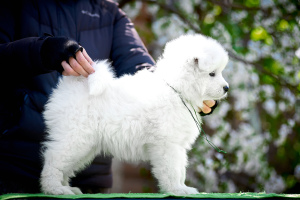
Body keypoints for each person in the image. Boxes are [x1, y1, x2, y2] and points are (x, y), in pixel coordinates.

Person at [0, 0, 217, 194]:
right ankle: (54, 176)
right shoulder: (15, 5)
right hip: (14, 168)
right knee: (73, 139)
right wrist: (40, 50)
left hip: (92, 179)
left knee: (78, 144)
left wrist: (185, 92)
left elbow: (139, 64)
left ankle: (58, 178)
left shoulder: (109, 12)